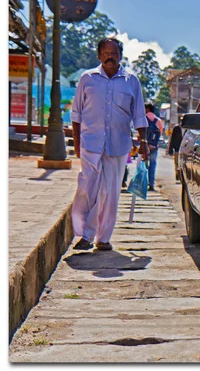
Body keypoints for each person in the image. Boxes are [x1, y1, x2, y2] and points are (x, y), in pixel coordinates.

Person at [71, 37, 149, 251]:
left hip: (118, 145)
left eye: (113, 53)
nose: (109, 57)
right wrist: (77, 144)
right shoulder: (87, 79)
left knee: (110, 192)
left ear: (120, 56)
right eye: (105, 53)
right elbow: (76, 114)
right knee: (87, 190)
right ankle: (82, 229)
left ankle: (98, 238)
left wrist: (144, 142)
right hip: (90, 144)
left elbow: (139, 115)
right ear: (99, 56)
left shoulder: (131, 81)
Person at [145, 101, 164, 192]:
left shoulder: (144, 119)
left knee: (143, 165)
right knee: (152, 165)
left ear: (147, 109)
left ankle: (143, 183)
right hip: (154, 146)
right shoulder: (158, 120)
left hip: (145, 146)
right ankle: (151, 184)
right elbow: (160, 133)